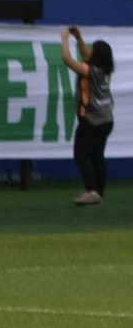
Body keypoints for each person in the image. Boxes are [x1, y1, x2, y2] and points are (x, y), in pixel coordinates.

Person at [61, 26, 115, 205]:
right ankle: (98, 194)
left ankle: (91, 191)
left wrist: (65, 38)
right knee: (97, 156)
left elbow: (68, 60)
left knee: (81, 154)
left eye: (93, 49)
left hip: (92, 120)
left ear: (96, 56)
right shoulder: (105, 70)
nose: (89, 50)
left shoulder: (90, 71)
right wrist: (78, 37)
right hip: (107, 120)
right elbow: (87, 55)